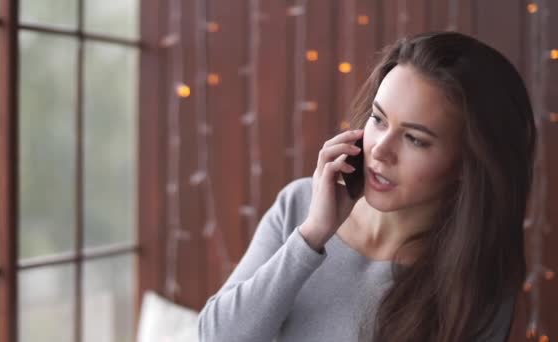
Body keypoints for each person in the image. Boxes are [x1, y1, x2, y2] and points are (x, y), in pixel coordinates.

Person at [197, 31, 536, 342]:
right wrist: (312, 235)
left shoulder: (476, 279)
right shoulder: (300, 204)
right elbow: (217, 337)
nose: (381, 149)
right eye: (378, 119)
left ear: (466, 164)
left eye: (415, 139)